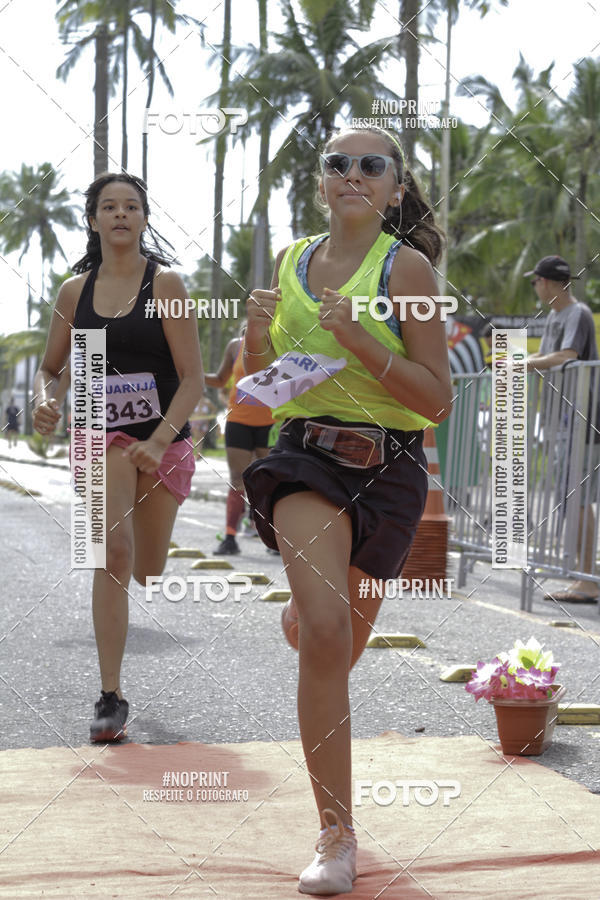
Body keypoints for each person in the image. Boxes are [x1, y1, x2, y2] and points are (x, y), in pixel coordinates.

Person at [242, 126, 452, 895]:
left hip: (390, 471)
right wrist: (255, 338)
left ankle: (308, 610)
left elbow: (438, 400)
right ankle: (337, 834)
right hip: (305, 457)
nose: (353, 173)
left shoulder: (408, 269)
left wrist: (362, 340)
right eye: (339, 163)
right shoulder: (292, 261)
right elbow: (266, 383)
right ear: (322, 181)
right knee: (328, 636)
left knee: (330, 645)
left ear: (395, 189)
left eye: (372, 165)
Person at [33, 172, 204, 742]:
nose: (121, 214)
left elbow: (193, 379)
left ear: (145, 219)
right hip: (97, 433)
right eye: (109, 206)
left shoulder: (166, 284)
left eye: (131, 206)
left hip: (163, 440)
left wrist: (159, 441)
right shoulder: (73, 292)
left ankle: (144, 561)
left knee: (148, 567)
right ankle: (111, 696)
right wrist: (46, 401)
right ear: (93, 220)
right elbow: (51, 368)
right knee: (113, 553)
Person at [525, 255, 600, 603]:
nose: (535, 288)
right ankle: (580, 575)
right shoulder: (555, 316)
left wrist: (523, 365)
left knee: (580, 498)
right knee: (571, 498)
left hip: (582, 417)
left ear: (546, 282)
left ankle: (588, 579)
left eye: (535, 281)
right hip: (563, 420)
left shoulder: (577, 313)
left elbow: (567, 356)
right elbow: (546, 362)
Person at [204, 326, 273, 555]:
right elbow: (220, 379)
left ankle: (273, 539)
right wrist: (189, 373)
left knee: (269, 482)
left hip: (270, 422)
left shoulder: (279, 343)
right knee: (237, 480)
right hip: (238, 421)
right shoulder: (235, 346)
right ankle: (230, 538)